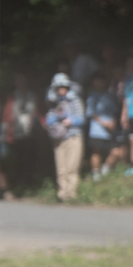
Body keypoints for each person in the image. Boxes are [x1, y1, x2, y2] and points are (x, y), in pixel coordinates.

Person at [45, 73, 85, 201]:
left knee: (71, 167)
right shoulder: (54, 102)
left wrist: (70, 120)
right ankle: (62, 194)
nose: (61, 89)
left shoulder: (75, 100)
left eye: (63, 86)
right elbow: (49, 120)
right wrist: (57, 116)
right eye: (58, 87)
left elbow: (81, 119)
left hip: (73, 137)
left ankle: (71, 194)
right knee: (61, 169)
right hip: (58, 139)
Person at [84, 73, 122, 180]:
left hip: (110, 130)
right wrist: (104, 123)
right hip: (97, 130)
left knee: (116, 151)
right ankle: (96, 175)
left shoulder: (109, 95)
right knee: (97, 151)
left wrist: (113, 123)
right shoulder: (92, 96)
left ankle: (105, 171)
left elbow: (114, 111)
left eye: (101, 80)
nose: (99, 83)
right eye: (97, 81)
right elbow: (91, 113)